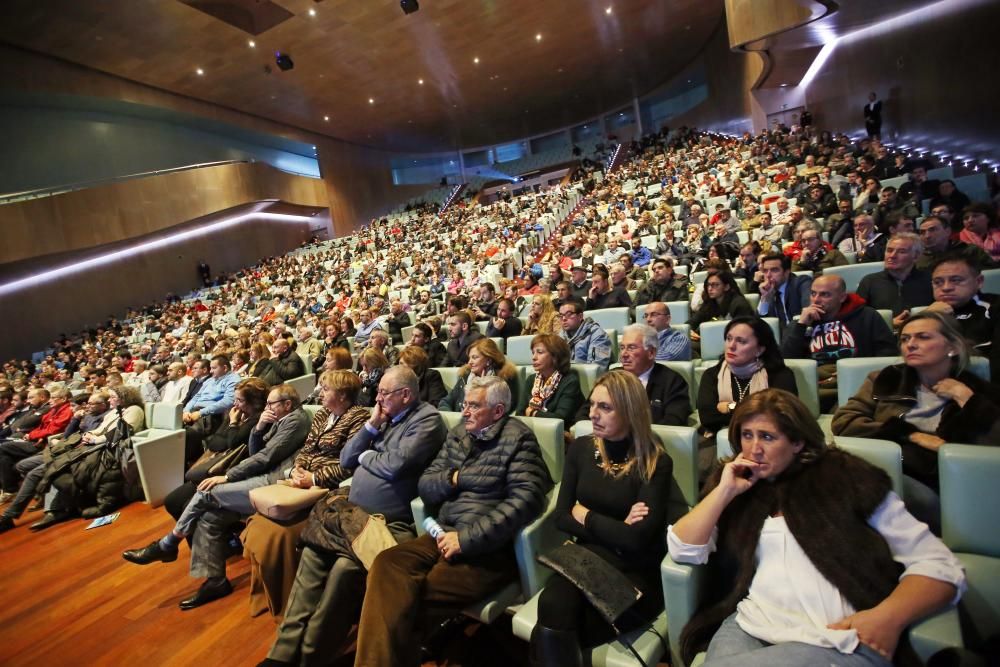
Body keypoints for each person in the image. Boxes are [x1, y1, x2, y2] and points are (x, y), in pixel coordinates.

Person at [669, 389, 965, 667]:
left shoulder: (845, 478)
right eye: (747, 435)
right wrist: (724, 492)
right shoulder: (738, 484)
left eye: (768, 437)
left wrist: (887, 618)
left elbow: (937, 563)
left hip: (835, 635)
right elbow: (683, 548)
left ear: (797, 442)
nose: (754, 449)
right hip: (751, 624)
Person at [353, 375, 552, 667]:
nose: (464, 412)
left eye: (474, 406)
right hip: (442, 533)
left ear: (498, 411)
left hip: (487, 550)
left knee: (406, 601)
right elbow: (426, 484)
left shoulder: (518, 438)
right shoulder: (459, 433)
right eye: (465, 404)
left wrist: (466, 539)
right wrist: (455, 477)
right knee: (386, 564)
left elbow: (526, 501)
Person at [257, 366, 446, 665]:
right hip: (350, 514)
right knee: (312, 556)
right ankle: (281, 654)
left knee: (343, 571)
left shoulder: (427, 421)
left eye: (384, 393)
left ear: (406, 394)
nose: (378, 398)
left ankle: (310, 657)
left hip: (386, 522)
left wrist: (367, 457)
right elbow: (346, 458)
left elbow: (396, 466)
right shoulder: (381, 419)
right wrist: (371, 426)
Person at [122, 383, 311, 610]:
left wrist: (228, 476)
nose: (268, 408)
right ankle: (216, 581)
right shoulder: (277, 419)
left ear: (287, 404)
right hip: (262, 477)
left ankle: (168, 543)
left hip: (275, 482)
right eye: (268, 403)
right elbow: (254, 451)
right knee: (209, 517)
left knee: (206, 492)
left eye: (272, 404)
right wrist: (259, 427)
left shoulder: (295, 420)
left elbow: (265, 458)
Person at [531, 370, 673, 665]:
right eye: (592, 405)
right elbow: (561, 517)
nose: (593, 414)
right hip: (583, 560)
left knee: (554, 627)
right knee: (554, 606)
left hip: (634, 571)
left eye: (605, 407)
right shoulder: (582, 448)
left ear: (631, 411)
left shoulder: (654, 460)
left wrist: (586, 516)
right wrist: (618, 527)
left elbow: (638, 540)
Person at [833, 311, 1000, 529]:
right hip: (883, 466)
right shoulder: (885, 379)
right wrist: (911, 434)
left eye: (923, 337)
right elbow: (844, 421)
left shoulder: (978, 392)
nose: (910, 344)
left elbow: (991, 448)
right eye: (905, 339)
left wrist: (966, 399)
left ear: (952, 347)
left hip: (935, 482)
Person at [240, 370, 371, 619]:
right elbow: (307, 447)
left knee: (278, 533)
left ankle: (297, 604)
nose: (320, 393)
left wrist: (314, 478)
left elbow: (349, 464)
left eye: (326, 389)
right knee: (259, 523)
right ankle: (273, 596)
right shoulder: (322, 414)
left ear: (342, 395)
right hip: (300, 481)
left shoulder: (359, 418)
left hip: (328, 487)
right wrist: (297, 468)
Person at [780, 274, 897, 411]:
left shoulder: (867, 316)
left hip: (856, 383)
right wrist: (800, 325)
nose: (816, 300)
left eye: (825, 295)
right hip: (815, 386)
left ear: (842, 297)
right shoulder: (801, 323)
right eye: (813, 293)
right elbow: (786, 360)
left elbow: (888, 355)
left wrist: (856, 373)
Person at [698, 318, 797, 459]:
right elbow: (708, 417)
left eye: (741, 341)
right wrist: (756, 411)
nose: (731, 346)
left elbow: (782, 416)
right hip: (718, 441)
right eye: (728, 338)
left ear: (759, 350)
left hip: (768, 443)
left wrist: (730, 407)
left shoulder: (779, 375)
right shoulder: (712, 374)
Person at [618, 324, 691, 426]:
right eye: (622, 348)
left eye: (631, 348)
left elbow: (674, 421)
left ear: (651, 352)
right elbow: (588, 412)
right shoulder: (611, 377)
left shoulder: (673, 381)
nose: (623, 354)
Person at [857, 233, 934, 328]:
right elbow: (858, 319)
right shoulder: (869, 281)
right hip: (882, 336)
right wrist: (888, 323)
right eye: (889, 250)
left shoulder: (930, 280)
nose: (892, 256)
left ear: (916, 256)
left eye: (901, 252)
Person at [439, 338, 519, 414]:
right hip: (462, 421)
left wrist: (483, 386)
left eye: (474, 357)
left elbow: (506, 409)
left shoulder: (505, 377)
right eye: (469, 358)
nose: (470, 362)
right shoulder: (466, 375)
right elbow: (445, 402)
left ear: (489, 360)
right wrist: (453, 418)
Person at [518, 334, 585, 424]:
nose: (534, 357)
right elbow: (520, 412)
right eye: (533, 352)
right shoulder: (531, 379)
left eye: (540, 352)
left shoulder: (570, 381)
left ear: (555, 356)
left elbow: (561, 418)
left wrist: (533, 412)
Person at [688, 271, 754, 342]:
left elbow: (744, 332)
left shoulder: (739, 304)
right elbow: (694, 321)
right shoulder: (710, 303)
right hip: (715, 339)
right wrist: (690, 330)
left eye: (715, 285)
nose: (710, 288)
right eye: (708, 285)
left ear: (726, 287)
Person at [916, 215, 994, 271]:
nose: (927, 236)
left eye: (932, 230)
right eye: (922, 232)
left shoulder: (970, 251)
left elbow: (992, 274)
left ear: (947, 231)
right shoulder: (918, 259)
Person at [755, 252, 812, 330]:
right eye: (765, 271)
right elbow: (759, 326)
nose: (768, 275)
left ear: (787, 272)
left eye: (774, 270)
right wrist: (765, 299)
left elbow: (809, 311)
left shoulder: (801, 283)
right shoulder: (768, 291)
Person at [559, 298, 612, 371]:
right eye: (561, 315)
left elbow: (597, 368)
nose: (564, 318)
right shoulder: (560, 336)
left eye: (569, 314)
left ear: (580, 316)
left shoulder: (599, 336)